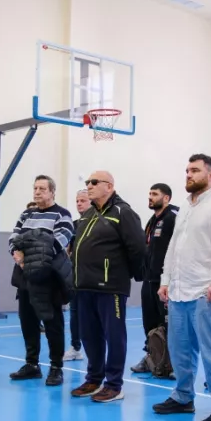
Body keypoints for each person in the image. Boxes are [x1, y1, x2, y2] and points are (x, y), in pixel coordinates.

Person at [151, 154, 211, 421]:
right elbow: (174, 248)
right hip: (180, 291)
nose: (189, 175)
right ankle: (183, 397)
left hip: (210, 292)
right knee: (179, 349)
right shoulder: (185, 208)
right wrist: (166, 280)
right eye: (187, 170)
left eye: (195, 170)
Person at [70, 171, 146, 403]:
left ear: (109, 186)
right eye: (87, 182)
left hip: (110, 286)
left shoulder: (123, 212)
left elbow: (138, 248)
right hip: (84, 286)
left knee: (114, 337)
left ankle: (114, 385)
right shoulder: (88, 214)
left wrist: (126, 276)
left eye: (94, 182)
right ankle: (94, 379)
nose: (89, 186)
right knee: (89, 336)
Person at [8, 175, 75, 386]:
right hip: (24, 277)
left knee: (53, 324)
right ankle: (32, 364)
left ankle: (56, 367)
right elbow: (13, 238)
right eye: (35, 188)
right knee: (27, 322)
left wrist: (27, 248)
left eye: (42, 189)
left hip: (49, 279)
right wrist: (17, 253)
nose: (37, 192)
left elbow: (56, 244)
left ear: (52, 192)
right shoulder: (26, 214)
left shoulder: (62, 215)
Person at [131, 183, 178, 374]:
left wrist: (170, 278)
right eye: (149, 193)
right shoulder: (152, 220)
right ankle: (151, 357)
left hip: (166, 282)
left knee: (168, 324)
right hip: (149, 280)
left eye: (155, 194)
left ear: (166, 198)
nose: (150, 197)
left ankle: (174, 364)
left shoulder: (174, 218)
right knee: (149, 323)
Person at [64, 189, 91, 361]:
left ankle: (96, 350)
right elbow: (68, 250)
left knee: (92, 315)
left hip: (92, 278)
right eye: (77, 201)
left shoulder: (97, 223)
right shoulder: (73, 225)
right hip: (75, 277)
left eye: (83, 200)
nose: (79, 204)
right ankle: (75, 347)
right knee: (74, 314)